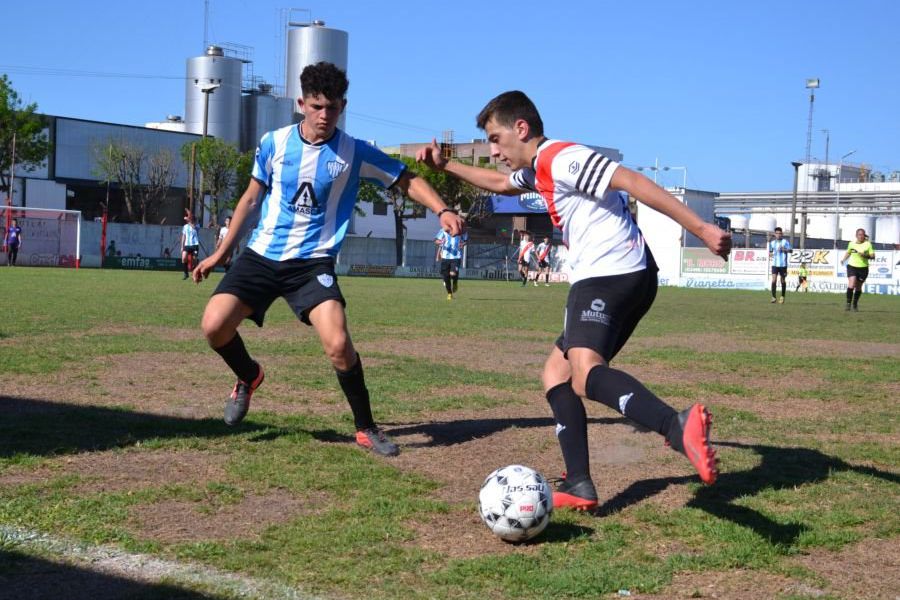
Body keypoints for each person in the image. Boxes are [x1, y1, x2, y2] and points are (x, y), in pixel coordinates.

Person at [417, 90, 731, 509]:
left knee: (584, 374)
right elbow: (498, 183)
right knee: (556, 375)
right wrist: (447, 166)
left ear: (521, 128)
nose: (493, 151)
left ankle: (677, 426)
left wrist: (702, 228)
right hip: (620, 275)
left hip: (610, 273)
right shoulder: (539, 169)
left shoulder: (562, 158)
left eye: (495, 138)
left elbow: (633, 181)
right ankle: (579, 482)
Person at [192, 62, 463, 456]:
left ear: (343, 107)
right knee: (214, 327)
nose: (324, 116)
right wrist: (220, 251)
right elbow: (251, 199)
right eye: (317, 106)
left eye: (332, 108)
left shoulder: (353, 152)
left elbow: (406, 180)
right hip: (262, 255)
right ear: (301, 103)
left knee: (337, 343)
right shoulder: (273, 143)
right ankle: (249, 376)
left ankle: (366, 427)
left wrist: (442, 210)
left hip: (312, 263)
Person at [840, 228, 875, 312]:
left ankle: (855, 304)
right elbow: (849, 252)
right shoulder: (851, 244)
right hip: (852, 266)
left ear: (864, 235)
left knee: (858, 287)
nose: (861, 236)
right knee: (851, 284)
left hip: (863, 268)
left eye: (862, 234)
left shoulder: (868, 244)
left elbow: (873, 256)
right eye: (859, 234)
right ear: (856, 235)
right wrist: (843, 259)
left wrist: (865, 255)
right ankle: (848, 304)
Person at [435, 227, 467, 300]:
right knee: (446, 277)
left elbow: (466, 240)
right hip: (445, 257)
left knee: (452, 273)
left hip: (456, 256)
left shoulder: (461, 229)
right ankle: (449, 294)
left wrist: (463, 244)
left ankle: (455, 282)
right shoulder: (443, 229)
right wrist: (440, 242)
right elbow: (436, 240)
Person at [768, 226, 792, 304]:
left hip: (783, 265)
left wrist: (784, 249)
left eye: (780, 233)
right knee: (774, 279)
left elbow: (791, 250)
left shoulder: (785, 242)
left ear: (782, 234)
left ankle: (782, 297)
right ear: (775, 234)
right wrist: (770, 254)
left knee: (782, 280)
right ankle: (773, 297)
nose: (778, 235)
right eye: (777, 233)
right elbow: (770, 252)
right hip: (775, 264)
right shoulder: (772, 243)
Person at [181, 212, 200, 280]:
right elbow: (183, 236)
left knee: (194, 260)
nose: (190, 220)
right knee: (184, 258)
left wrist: (188, 221)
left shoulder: (197, 225)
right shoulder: (185, 226)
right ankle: (186, 274)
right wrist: (182, 246)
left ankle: (195, 273)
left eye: (191, 219)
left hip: (195, 244)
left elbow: (194, 227)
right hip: (187, 245)